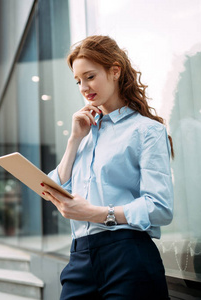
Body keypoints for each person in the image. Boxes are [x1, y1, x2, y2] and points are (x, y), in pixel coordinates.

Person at [41, 35, 174, 300]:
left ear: (115, 71)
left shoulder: (147, 131)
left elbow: (160, 209)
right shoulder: (85, 134)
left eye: (90, 76)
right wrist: (73, 140)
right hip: (80, 256)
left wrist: (96, 213)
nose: (83, 87)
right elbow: (53, 188)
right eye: (78, 81)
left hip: (128, 256)